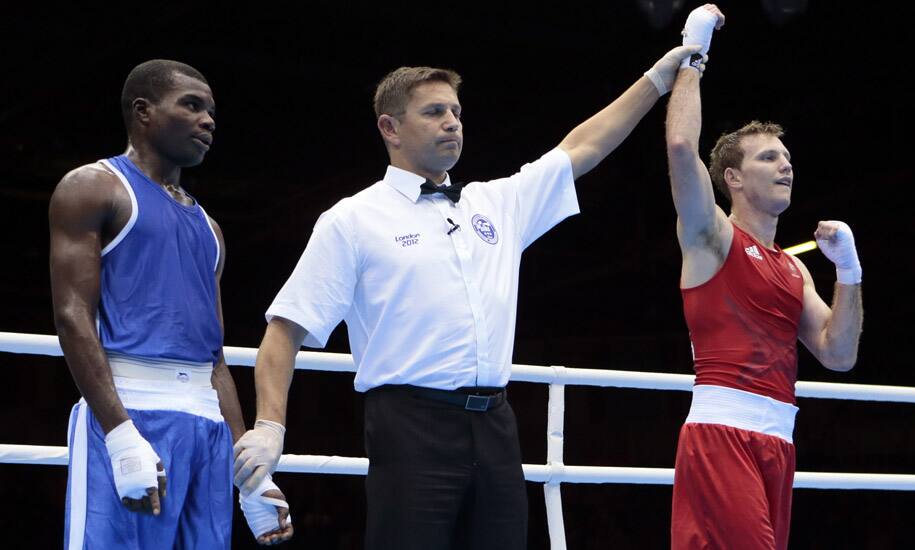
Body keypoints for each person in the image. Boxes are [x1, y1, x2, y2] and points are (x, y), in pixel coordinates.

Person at [230, 38, 705, 549]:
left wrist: (657, 78)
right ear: (389, 128)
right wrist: (269, 427)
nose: (452, 122)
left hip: (497, 425)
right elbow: (284, 330)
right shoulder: (352, 219)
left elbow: (582, 148)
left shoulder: (495, 203)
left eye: (455, 111)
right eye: (434, 112)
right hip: (409, 425)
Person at [49, 59, 292, 548]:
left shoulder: (210, 229)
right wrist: (119, 434)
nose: (208, 120)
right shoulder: (92, 188)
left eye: (212, 111)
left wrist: (246, 474)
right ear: (143, 111)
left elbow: (215, 359)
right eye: (191, 105)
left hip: (206, 428)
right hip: (130, 411)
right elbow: (72, 315)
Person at [664, 6, 864, 549]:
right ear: (732, 177)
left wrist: (849, 271)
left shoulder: (793, 267)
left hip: (779, 439)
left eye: (788, 157)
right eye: (770, 157)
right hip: (722, 435)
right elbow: (682, 148)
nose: (786, 166)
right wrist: (694, 53)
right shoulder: (712, 237)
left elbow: (838, 352)